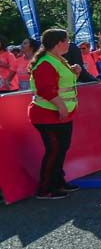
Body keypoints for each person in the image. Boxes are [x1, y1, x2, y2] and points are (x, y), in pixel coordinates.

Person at [28, 29, 82, 199]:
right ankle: (45, 189)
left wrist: (75, 72)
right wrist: (61, 107)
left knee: (60, 150)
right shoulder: (46, 62)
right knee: (54, 151)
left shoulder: (57, 60)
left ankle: (58, 182)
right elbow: (46, 89)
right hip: (47, 114)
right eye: (67, 40)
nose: (69, 43)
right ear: (58, 43)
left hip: (59, 114)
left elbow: (61, 83)